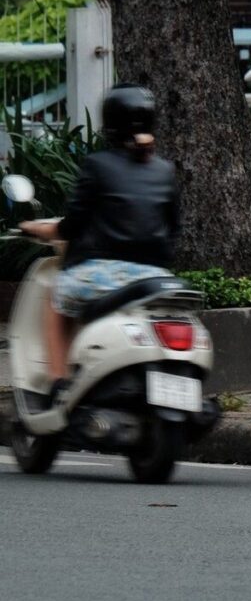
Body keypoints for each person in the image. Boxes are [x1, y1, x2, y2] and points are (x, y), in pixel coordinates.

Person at [19, 84, 180, 404]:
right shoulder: (164, 170)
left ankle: (59, 383)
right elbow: (173, 227)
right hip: (154, 277)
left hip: (105, 274)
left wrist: (36, 228)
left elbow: (72, 226)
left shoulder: (98, 164)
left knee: (56, 298)